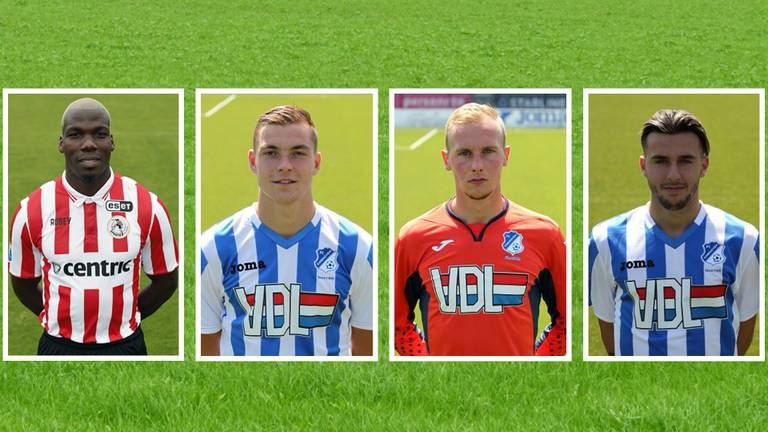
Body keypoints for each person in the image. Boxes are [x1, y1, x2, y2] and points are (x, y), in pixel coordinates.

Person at [9, 97, 179, 356]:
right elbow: (22, 282)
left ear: (111, 142)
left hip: (127, 346)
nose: (88, 144)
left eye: (99, 134)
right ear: (61, 144)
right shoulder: (31, 209)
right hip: (58, 347)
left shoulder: (148, 205)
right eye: (76, 135)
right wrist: (55, 316)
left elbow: (166, 280)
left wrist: (126, 316)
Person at [394, 102, 567, 356]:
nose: (477, 165)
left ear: (505, 155)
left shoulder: (544, 234)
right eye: (464, 153)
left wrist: (533, 366)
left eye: (488, 151)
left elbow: (566, 323)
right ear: (447, 160)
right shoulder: (413, 238)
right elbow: (397, 325)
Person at [200, 105, 373, 357]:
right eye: (270, 153)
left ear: (316, 162)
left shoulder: (357, 247)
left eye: (297, 153)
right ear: (252, 161)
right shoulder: (214, 248)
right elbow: (207, 355)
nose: (284, 165)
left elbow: (364, 355)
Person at [589, 109, 759, 356]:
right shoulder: (605, 240)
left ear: (704, 165)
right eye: (660, 161)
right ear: (643, 166)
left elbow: (745, 325)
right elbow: (608, 325)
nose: (673, 175)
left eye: (685, 161)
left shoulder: (744, 239)